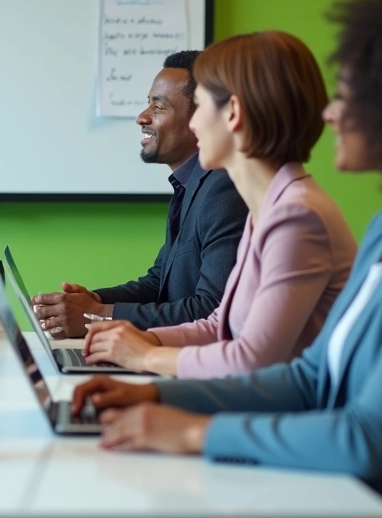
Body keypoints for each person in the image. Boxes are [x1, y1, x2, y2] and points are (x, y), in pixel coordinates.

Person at [70, 0, 382, 517]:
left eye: (347, 96)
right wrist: (157, 394)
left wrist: (194, 432)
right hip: (337, 489)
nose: (331, 113)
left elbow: (366, 437)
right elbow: (312, 379)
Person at [83, 31, 356, 378]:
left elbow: (251, 360)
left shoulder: (297, 217)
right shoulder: (270, 208)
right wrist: (138, 338)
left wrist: (145, 357)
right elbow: (219, 325)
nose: (194, 123)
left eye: (201, 105)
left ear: (233, 114)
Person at [33, 51, 248, 338]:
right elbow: (158, 284)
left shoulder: (223, 189)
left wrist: (96, 315)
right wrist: (89, 302)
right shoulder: (191, 184)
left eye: (158, 107)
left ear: (200, 117)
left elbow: (211, 308)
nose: (142, 117)